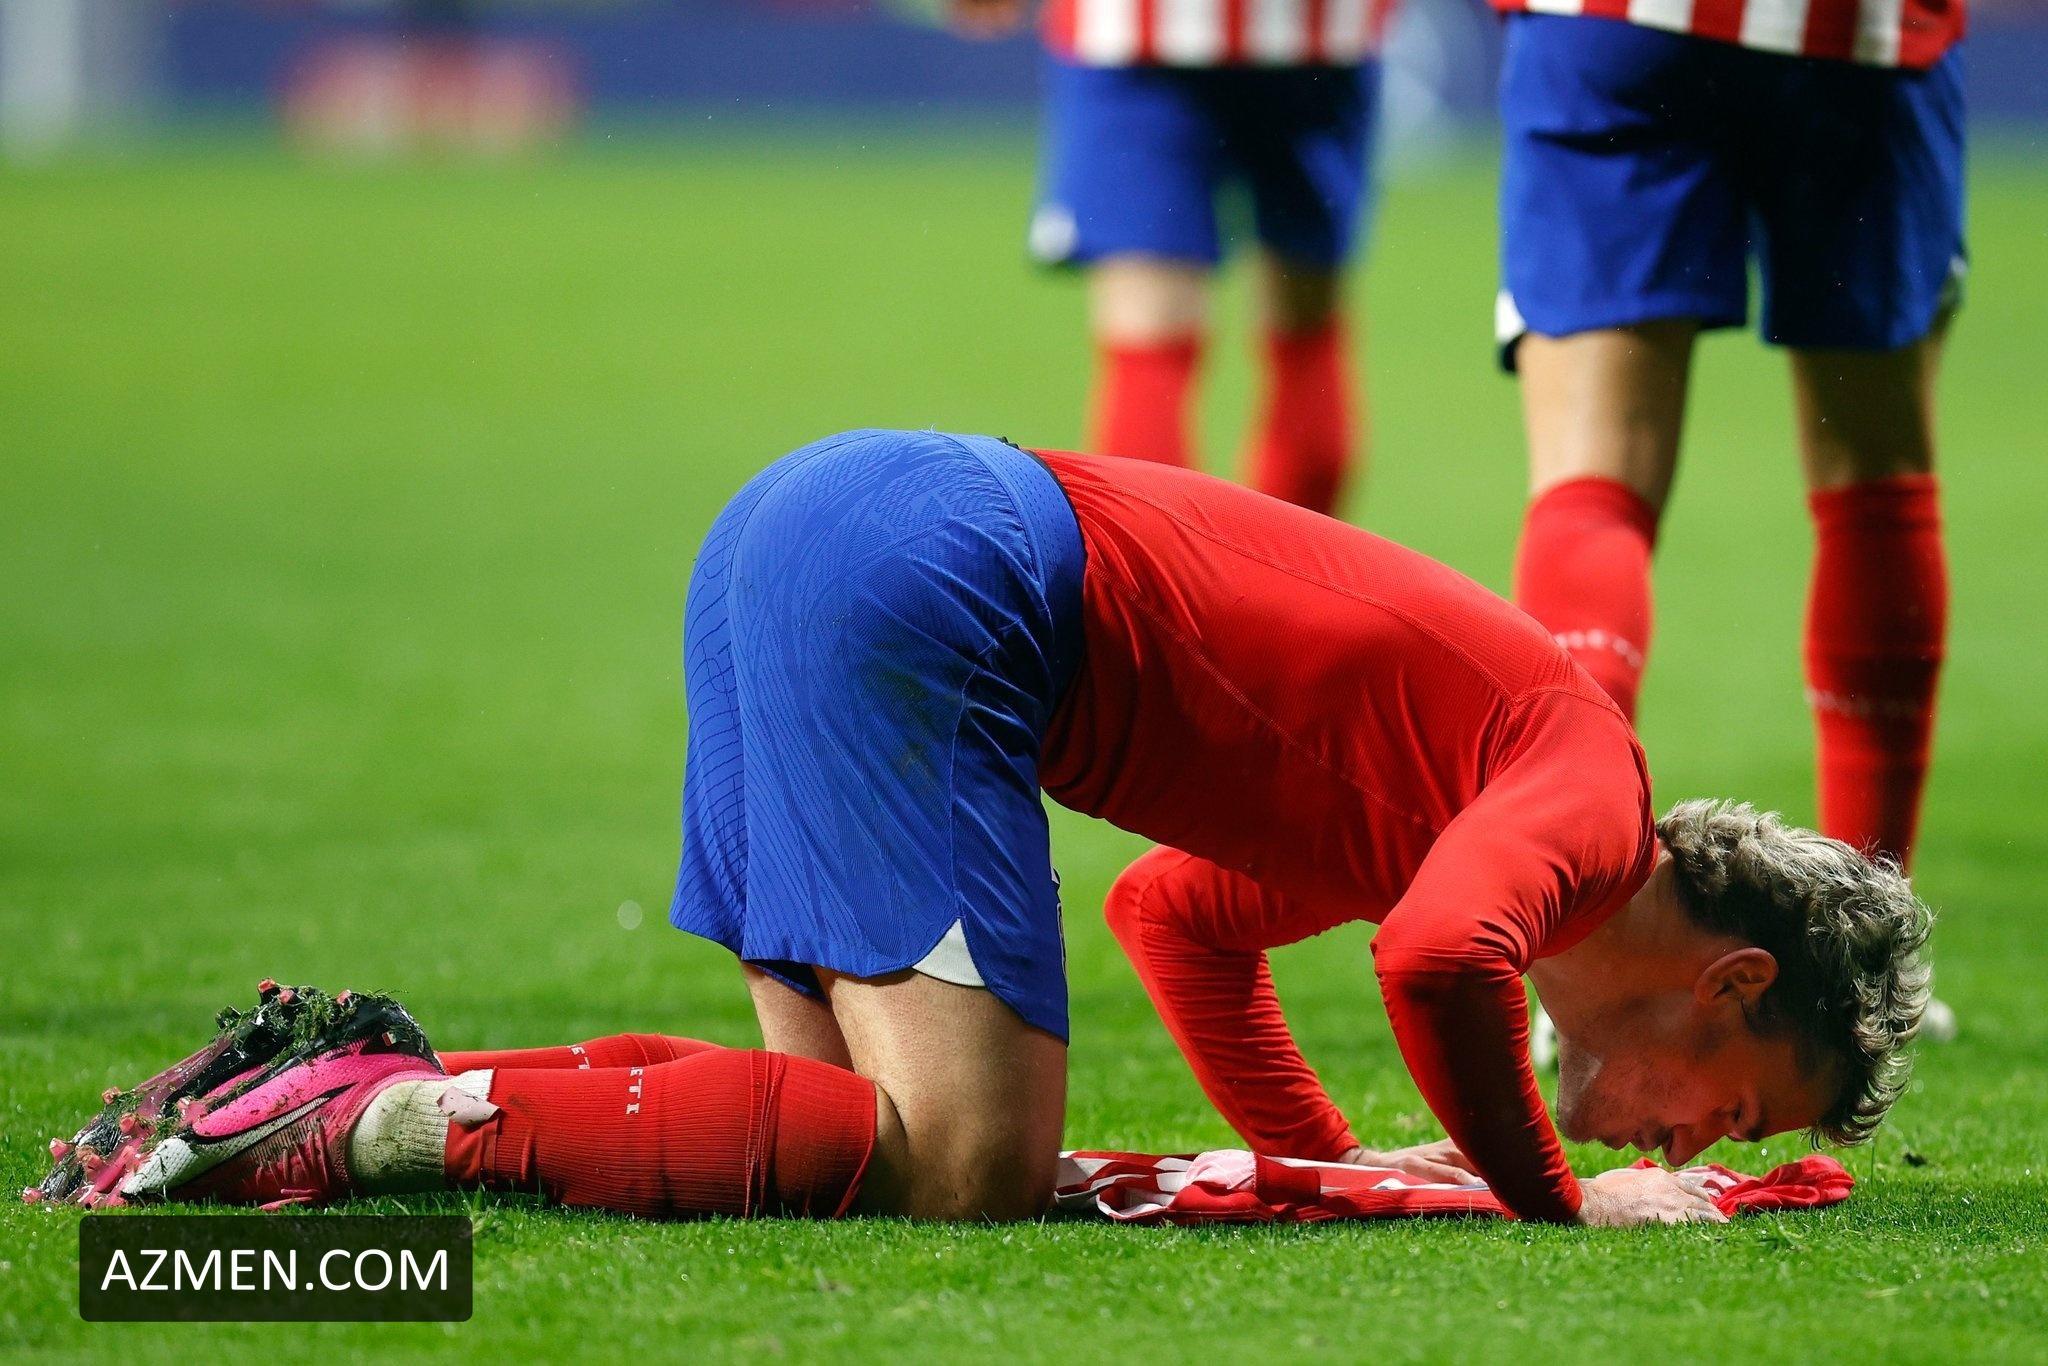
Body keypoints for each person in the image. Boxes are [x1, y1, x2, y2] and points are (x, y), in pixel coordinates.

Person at [34, 430, 1932, 1227]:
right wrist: (1550, 1201)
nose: (1697, 1143)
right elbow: (1437, 961)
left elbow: (1178, 920)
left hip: (826, 522)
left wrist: (1337, 1166)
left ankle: (333, 1095)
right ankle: (361, 1121)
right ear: (1728, 980)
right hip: (929, 570)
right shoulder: (1581, 799)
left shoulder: (1470, 811)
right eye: (1737, 1106)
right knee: (966, 1161)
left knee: (831, 1150)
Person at [1493, 0, 1964, 881]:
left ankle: (1576, 917)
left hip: (1616, 24)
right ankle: (1868, 925)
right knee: (1875, 479)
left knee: (1592, 483)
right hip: (1855, 37)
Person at [951, 0, 1390, 513]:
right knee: (1304, 322)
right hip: (1313, 37)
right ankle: (1286, 563)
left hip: (1139, 35)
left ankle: (1168, 564)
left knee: (1151, 331)